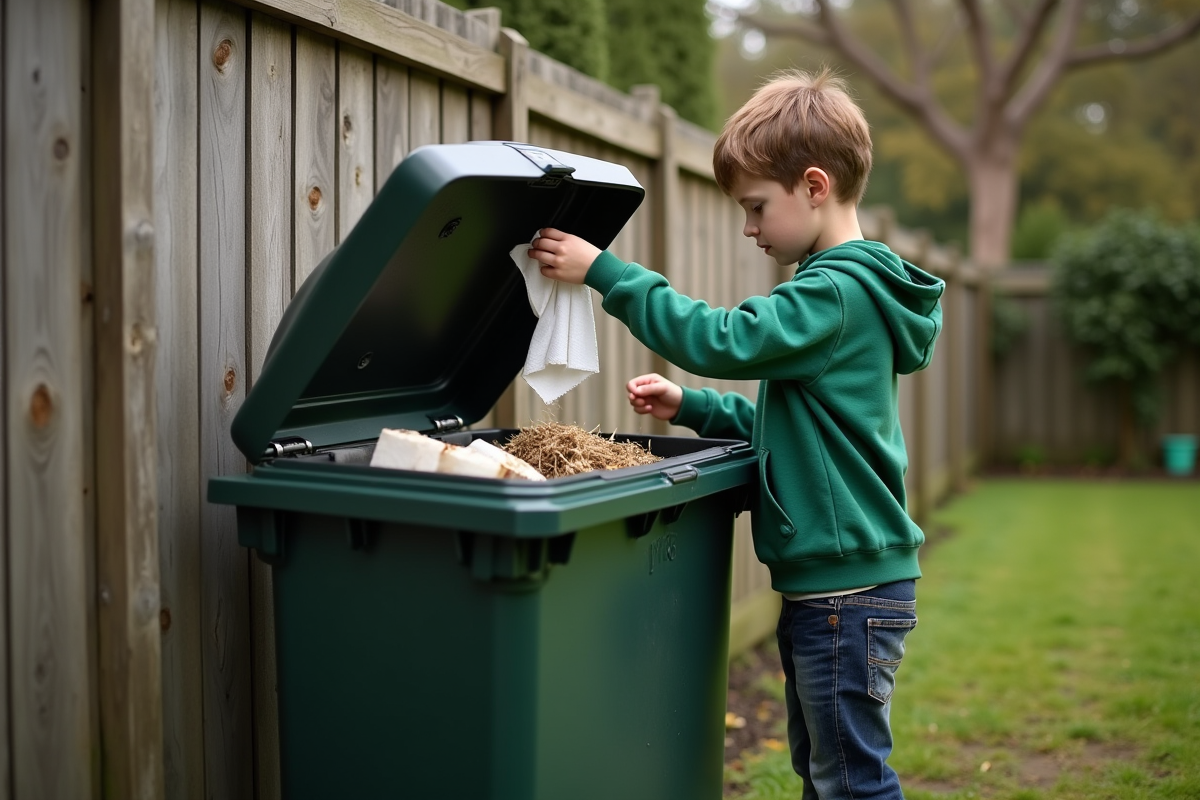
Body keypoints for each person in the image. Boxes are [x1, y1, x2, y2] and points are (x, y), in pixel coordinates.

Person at [528, 66, 943, 799]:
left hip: (846, 593)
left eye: (756, 207)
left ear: (814, 186)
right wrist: (692, 406)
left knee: (852, 780)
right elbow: (793, 427)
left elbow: (720, 337)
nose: (749, 228)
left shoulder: (832, 292)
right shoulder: (844, 290)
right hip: (846, 585)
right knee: (829, 772)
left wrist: (606, 272)